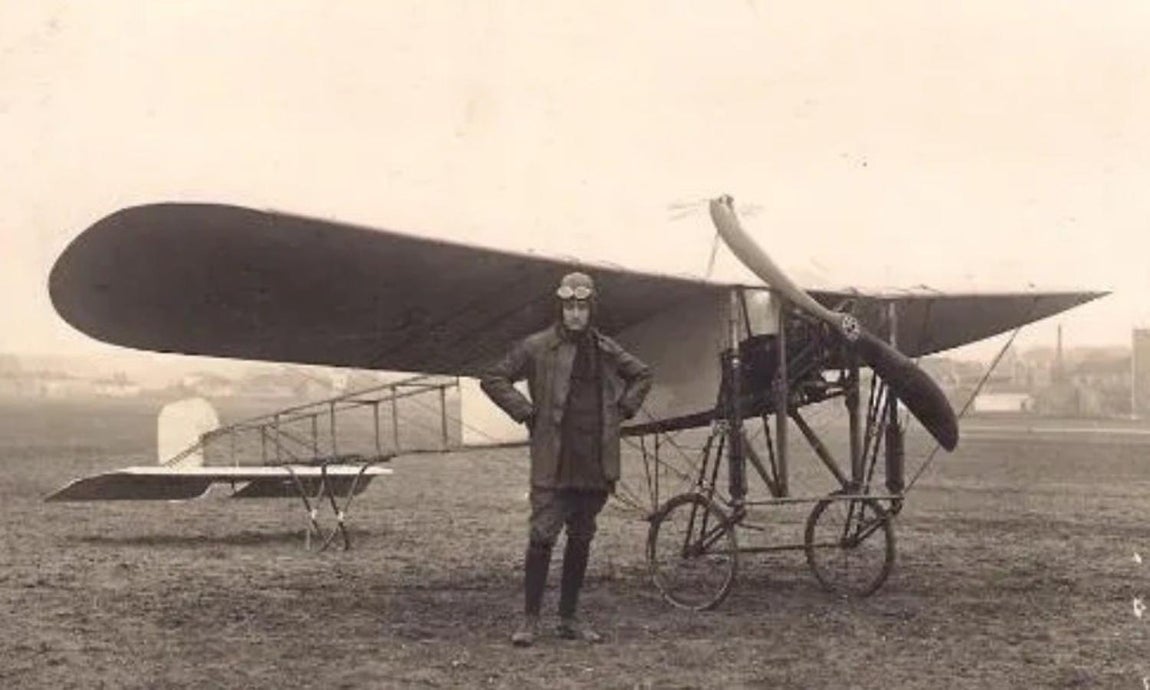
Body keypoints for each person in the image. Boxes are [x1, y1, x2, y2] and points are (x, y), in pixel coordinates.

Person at [481, 271, 652, 646]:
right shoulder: (537, 346)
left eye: (582, 307)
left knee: (581, 538)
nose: (576, 314)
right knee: (542, 537)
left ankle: (569, 619)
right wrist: (526, 413)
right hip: (554, 459)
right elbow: (494, 377)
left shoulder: (607, 349)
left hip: (594, 460)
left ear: (592, 309)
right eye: (569, 307)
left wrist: (624, 409)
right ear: (560, 308)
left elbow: (642, 374)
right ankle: (529, 621)